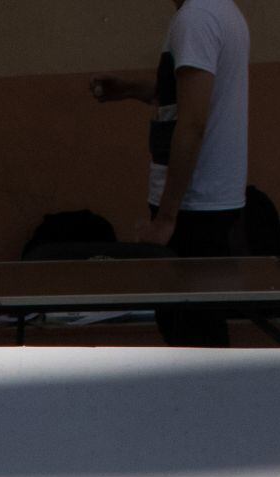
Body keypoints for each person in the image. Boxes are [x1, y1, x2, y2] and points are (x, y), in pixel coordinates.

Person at [91, 0, 249, 347]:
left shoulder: (196, 18)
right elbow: (190, 96)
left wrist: (165, 217)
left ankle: (202, 402)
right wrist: (131, 88)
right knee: (199, 329)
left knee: (190, 335)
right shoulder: (219, 11)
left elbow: (192, 121)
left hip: (193, 206)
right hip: (208, 202)